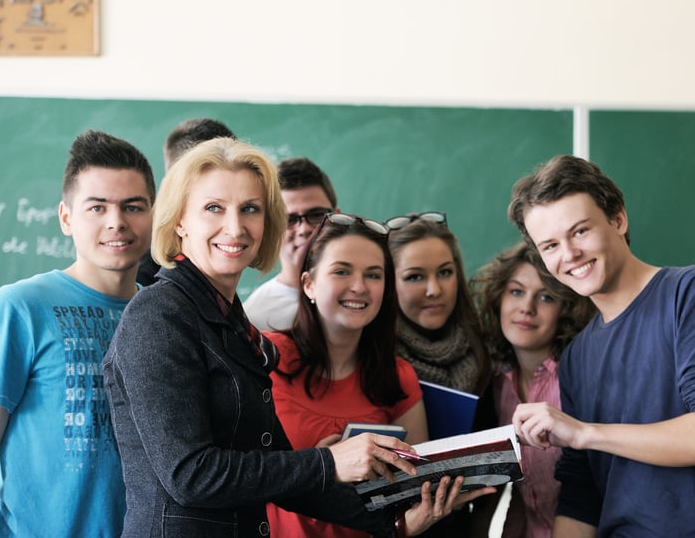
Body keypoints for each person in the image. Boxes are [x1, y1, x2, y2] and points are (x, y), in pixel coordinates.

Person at [103, 138, 489, 538]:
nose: (235, 227)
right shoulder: (159, 313)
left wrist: (395, 524)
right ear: (180, 221)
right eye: (213, 208)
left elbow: (283, 469)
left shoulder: (230, 319)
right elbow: (190, 475)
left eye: (250, 209)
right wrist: (328, 462)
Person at [508, 154, 695, 537]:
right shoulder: (576, 358)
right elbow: (582, 494)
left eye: (580, 231)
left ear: (618, 219)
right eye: (550, 245)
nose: (569, 255)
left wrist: (585, 432)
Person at [0, 130, 156, 537]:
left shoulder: (162, 316)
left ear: (155, 216)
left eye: (133, 207)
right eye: (97, 207)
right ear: (66, 217)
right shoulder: (20, 306)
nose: (116, 222)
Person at [264, 212, 430, 538]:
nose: (359, 287)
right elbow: (234, 472)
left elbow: (414, 486)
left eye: (373, 275)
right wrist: (322, 465)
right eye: (342, 271)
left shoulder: (399, 377)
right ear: (308, 284)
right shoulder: (266, 357)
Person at [472, 242, 595, 538]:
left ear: (566, 308)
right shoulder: (495, 380)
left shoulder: (581, 379)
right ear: (499, 297)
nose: (527, 307)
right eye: (516, 292)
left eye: (546, 297)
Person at [386, 212, 491, 396]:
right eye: (415, 277)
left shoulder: (487, 349)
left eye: (444, 273)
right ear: (389, 283)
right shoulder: (373, 359)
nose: (434, 290)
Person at [136, 117, 236, 286]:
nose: (235, 228)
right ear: (172, 189)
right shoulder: (148, 284)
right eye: (212, 206)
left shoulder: (214, 271)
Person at [244, 157, 338, 330]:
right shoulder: (256, 319)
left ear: (338, 218)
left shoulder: (365, 294)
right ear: (269, 228)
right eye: (289, 219)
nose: (304, 229)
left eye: (317, 214)